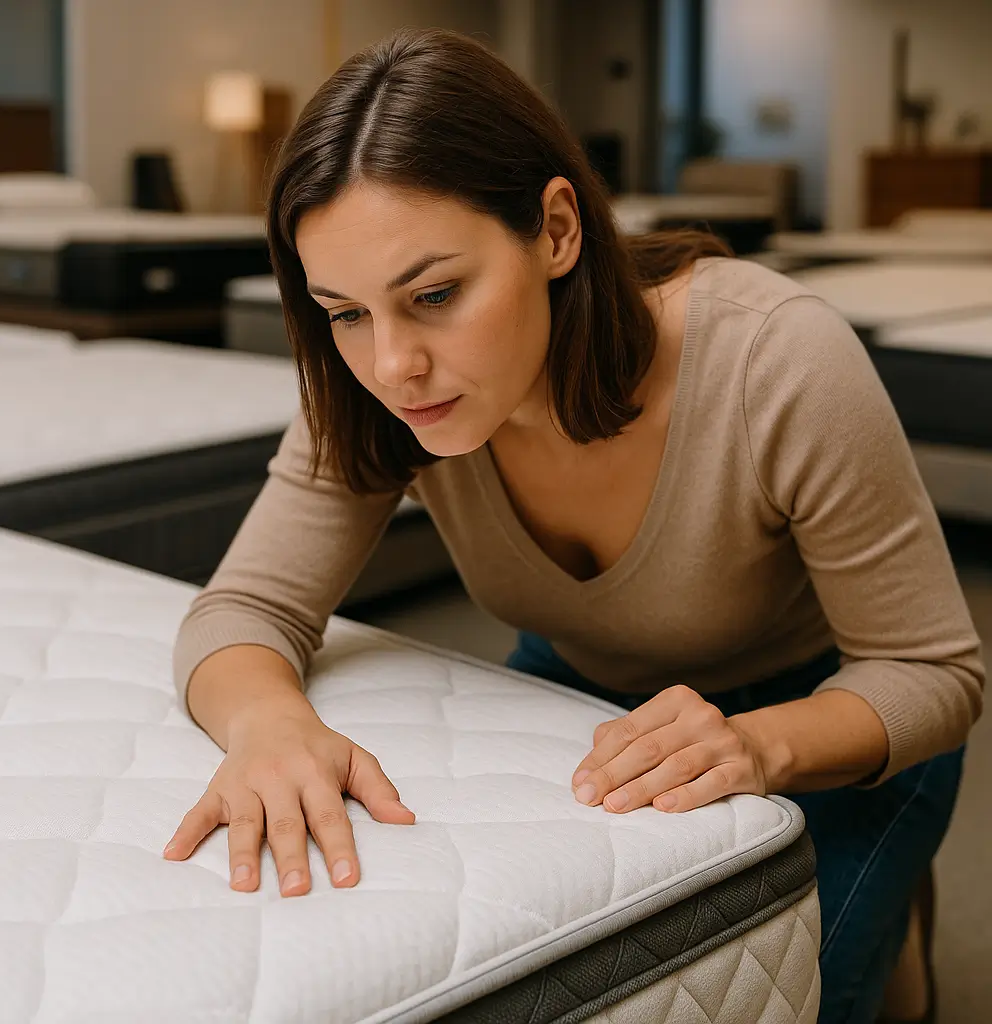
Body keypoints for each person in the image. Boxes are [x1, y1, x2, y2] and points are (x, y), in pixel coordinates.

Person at [163, 28, 983, 1024]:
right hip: (586, 693)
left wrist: (756, 746)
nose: (392, 366)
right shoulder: (372, 388)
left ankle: (895, 936)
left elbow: (933, 673)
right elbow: (245, 605)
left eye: (434, 295)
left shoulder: (774, 356)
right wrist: (269, 723)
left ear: (556, 229)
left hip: (824, 718)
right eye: (343, 310)